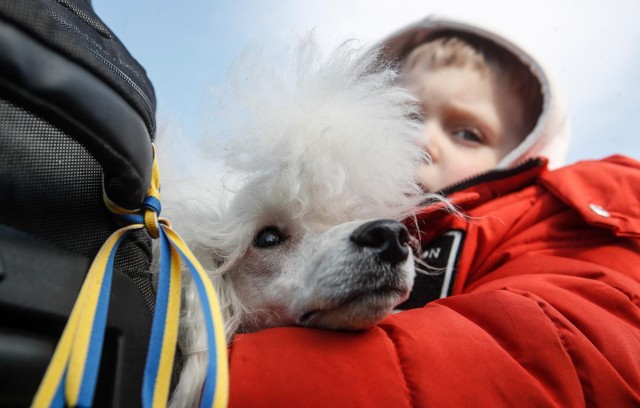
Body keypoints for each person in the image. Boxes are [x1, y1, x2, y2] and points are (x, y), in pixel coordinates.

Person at [224, 17, 640, 406]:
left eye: (467, 133)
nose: (422, 141)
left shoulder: (558, 211)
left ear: (522, 152)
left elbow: (550, 350)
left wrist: (214, 382)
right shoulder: (349, 229)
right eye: (407, 116)